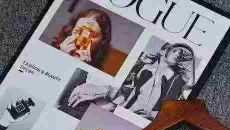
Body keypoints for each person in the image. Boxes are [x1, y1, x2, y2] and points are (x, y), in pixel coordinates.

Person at [66, 42, 195, 120]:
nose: (177, 55)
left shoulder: (177, 81)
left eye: (180, 55)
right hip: (111, 109)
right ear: (162, 51)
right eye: (174, 50)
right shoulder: (143, 68)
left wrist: (105, 92)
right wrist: (101, 92)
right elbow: (126, 93)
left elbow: (167, 112)